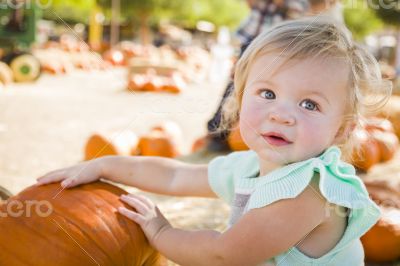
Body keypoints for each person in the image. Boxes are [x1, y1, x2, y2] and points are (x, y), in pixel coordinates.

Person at [36, 18, 392, 265]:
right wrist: (104, 164)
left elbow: (224, 255)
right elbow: (174, 177)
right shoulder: (250, 166)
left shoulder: (309, 192)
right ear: (238, 100)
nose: (281, 114)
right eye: (267, 93)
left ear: (343, 129)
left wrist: (160, 232)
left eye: (309, 104)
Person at [205, 0, 309, 151]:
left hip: (278, 46)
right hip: (252, 40)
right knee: (234, 85)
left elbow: (296, 11)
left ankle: (263, 135)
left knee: (266, 90)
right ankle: (218, 132)